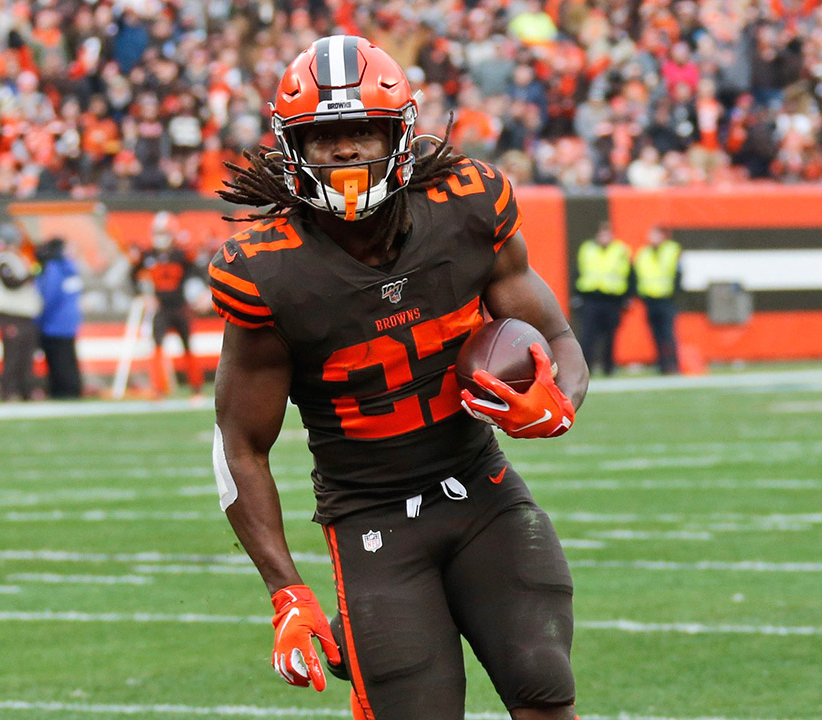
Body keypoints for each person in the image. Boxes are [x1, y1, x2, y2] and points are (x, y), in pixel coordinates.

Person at [210, 35, 588, 720]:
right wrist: (286, 591)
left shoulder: (467, 206)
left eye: (362, 132)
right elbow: (240, 446)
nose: (345, 152)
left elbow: (557, 337)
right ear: (293, 147)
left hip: (482, 493)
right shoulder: (267, 271)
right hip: (371, 519)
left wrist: (558, 399)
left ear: (400, 134)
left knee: (543, 684)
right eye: (324, 138)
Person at [131, 211, 203, 397]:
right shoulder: (147, 255)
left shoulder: (182, 255)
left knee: (187, 346)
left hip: (180, 306)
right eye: (157, 232)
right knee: (157, 346)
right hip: (161, 307)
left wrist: (201, 295)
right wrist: (143, 295)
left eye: (163, 232)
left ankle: (196, 388)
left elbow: (200, 274)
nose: (160, 237)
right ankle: (158, 389)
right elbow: (132, 276)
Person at [0, 222, 41, 401]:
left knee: (25, 356)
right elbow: (10, 283)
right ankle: (8, 391)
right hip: (12, 314)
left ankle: (25, 390)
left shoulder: (17, 258)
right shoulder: (4, 259)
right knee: (13, 355)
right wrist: (31, 275)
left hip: (23, 315)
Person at [574, 220, 631, 375]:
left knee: (610, 336)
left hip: (612, 299)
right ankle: (586, 368)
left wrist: (626, 298)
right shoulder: (587, 249)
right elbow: (577, 272)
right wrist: (576, 296)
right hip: (591, 298)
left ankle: (608, 368)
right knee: (588, 335)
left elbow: (628, 274)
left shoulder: (620, 250)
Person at [36, 237, 84, 398]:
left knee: (58, 360)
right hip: (69, 322)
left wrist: (40, 319)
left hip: (54, 323)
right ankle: (73, 388)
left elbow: (49, 297)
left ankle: (62, 390)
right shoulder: (71, 268)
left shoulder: (54, 268)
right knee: (68, 358)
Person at [633, 226, 682, 374]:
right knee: (656, 335)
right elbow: (637, 275)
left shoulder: (672, 250)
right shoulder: (644, 253)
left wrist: (676, 293)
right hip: (649, 300)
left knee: (668, 334)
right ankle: (662, 365)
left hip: (666, 299)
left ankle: (673, 364)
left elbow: (679, 273)